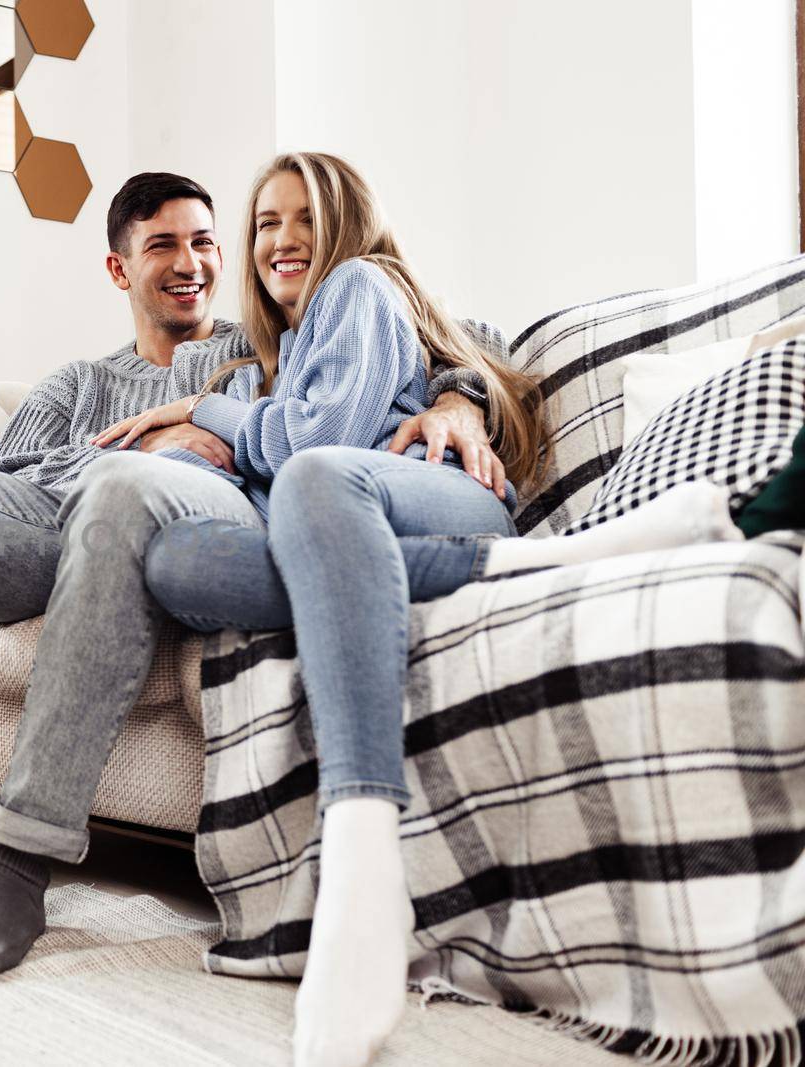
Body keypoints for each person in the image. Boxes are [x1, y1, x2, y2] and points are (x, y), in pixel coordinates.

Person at [95, 152, 742, 1067]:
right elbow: (269, 442)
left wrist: (451, 399)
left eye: (304, 218)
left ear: (346, 224)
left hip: (436, 493)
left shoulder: (362, 284)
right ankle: (558, 562)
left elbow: (320, 439)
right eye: (266, 223)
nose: (282, 239)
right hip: (350, 532)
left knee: (316, 473)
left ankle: (364, 853)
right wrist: (210, 427)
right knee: (180, 559)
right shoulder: (264, 361)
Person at [0, 171, 495, 987]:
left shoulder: (262, 337)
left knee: (124, 493)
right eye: (162, 244)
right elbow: (16, 471)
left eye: (204, 240)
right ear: (120, 270)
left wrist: (461, 400)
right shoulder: (77, 383)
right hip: (50, 535)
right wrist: (131, 446)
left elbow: (449, 330)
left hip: (177, 523)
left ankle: (18, 866)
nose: (190, 260)